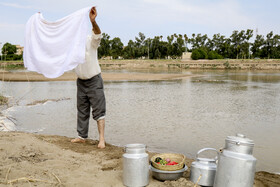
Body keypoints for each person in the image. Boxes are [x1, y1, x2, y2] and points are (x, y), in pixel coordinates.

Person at [71, 7, 106, 149]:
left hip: (94, 80)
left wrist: (93, 21)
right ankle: (81, 137)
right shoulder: (71, 46)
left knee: (99, 110)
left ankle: (102, 139)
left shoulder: (90, 40)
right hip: (81, 82)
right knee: (82, 110)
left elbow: (98, 34)